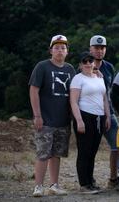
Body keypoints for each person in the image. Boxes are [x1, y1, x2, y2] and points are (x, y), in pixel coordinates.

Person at [29, 35, 76, 197]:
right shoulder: (42, 67)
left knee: (56, 153)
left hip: (63, 119)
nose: (60, 50)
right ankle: (38, 186)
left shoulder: (70, 69)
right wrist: (37, 115)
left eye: (63, 48)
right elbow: (33, 90)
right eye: (56, 47)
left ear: (67, 51)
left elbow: (74, 94)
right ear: (51, 50)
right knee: (43, 153)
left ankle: (54, 185)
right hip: (45, 118)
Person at [70, 52, 111, 193]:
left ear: (94, 63)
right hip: (84, 116)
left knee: (93, 152)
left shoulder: (99, 77)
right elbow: (73, 101)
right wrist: (79, 120)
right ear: (80, 65)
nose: (88, 64)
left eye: (90, 61)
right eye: (84, 62)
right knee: (84, 151)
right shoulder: (78, 79)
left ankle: (91, 181)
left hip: (99, 117)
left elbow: (104, 98)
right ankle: (84, 184)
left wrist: (108, 116)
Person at [89, 35, 119, 188]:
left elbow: (111, 92)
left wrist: (114, 113)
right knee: (90, 148)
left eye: (102, 48)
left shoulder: (109, 67)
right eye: (96, 48)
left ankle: (113, 179)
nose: (99, 51)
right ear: (90, 49)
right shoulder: (83, 66)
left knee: (118, 145)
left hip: (109, 113)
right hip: (90, 113)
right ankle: (88, 180)